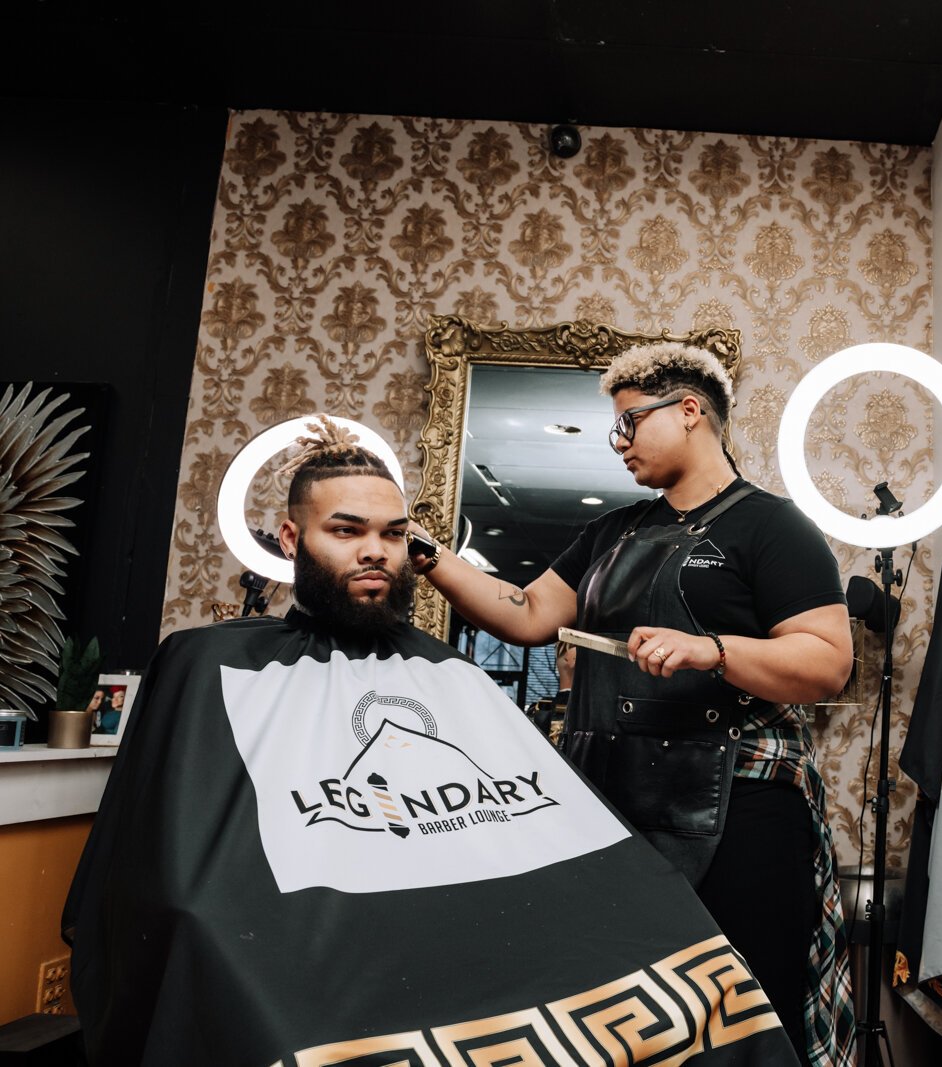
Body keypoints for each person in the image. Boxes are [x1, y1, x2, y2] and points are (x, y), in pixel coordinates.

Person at [65, 418, 798, 1066]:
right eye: (346, 531)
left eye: (392, 535)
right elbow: (172, 877)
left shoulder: (452, 675)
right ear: (291, 539)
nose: (375, 552)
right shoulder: (208, 662)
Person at [413, 342, 857, 1065]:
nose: (617, 442)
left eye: (630, 422)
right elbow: (526, 614)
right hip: (614, 806)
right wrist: (425, 551)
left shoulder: (772, 528)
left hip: (739, 813)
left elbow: (827, 660)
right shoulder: (609, 532)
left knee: (744, 1022)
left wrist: (712, 648)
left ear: (690, 412)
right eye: (613, 428)